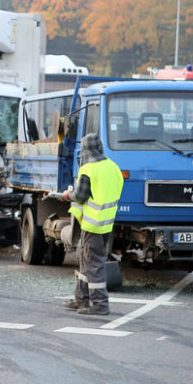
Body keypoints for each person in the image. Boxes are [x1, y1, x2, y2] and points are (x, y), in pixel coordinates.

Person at [60, 134, 123, 316]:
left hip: (92, 224)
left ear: (86, 150)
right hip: (106, 224)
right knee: (85, 260)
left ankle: (100, 304)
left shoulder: (88, 169)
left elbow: (80, 196)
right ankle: (81, 298)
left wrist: (67, 195)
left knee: (93, 264)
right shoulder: (113, 167)